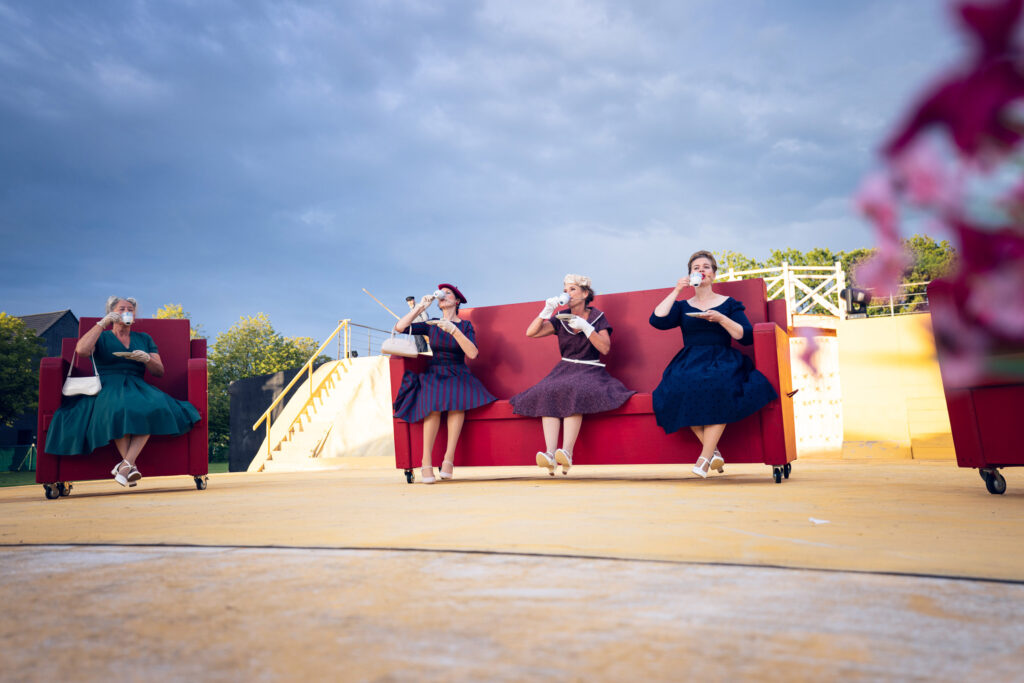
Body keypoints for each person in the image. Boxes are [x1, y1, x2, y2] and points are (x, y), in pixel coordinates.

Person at [45, 296, 202, 487]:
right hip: (107, 385)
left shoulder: (144, 338)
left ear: (134, 315)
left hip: (137, 385)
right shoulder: (101, 336)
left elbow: (159, 371)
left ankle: (125, 466)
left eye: (130, 309)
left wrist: (146, 359)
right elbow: (82, 351)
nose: (126, 312)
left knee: (155, 407)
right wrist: (102, 323)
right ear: (111, 312)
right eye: (121, 309)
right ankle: (130, 466)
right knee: (118, 408)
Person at [649, 251, 778, 477]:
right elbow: (657, 320)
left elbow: (746, 336)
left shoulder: (728, 304)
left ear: (714, 274)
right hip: (690, 360)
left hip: (722, 359)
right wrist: (677, 290)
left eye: (706, 267)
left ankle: (704, 459)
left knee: (719, 385)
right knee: (678, 387)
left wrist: (721, 318)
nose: (701, 270)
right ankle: (713, 452)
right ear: (690, 275)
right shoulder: (682, 306)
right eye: (696, 267)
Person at [510, 274, 635, 476]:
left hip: (590, 368)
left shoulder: (597, 318)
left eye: (573, 289)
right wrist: (546, 311)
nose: (567, 293)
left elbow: (604, 348)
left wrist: (586, 327)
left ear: (585, 294)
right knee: (546, 389)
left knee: (575, 388)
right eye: (565, 290)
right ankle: (550, 454)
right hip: (565, 368)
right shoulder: (561, 319)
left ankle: (567, 452)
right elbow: (531, 333)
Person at [392, 283, 496, 483]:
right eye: (442, 294)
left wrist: (453, 330)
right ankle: (426, 461)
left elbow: (472, 353)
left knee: (457, 400)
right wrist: (420, 308)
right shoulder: (431, 323)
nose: (443, 295)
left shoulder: (465, 326)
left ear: (456, 301)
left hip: (458, 371)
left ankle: (448, 459)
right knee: (434, 402)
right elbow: (400, 327)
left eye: (448, 293)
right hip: (436, 371)